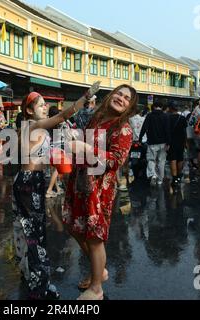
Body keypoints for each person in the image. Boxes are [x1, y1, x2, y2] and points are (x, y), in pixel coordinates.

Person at [12, 85, 96, 300]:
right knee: (35, 236)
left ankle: (34, 277)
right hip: (29, 182)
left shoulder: (32, 127)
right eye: (40, 104)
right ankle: (38, 290)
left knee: (32, 232)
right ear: (29, 110)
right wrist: (84, 97)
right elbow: (62, 116)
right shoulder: (34, 124)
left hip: (31, 180)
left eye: (44, 103)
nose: (44, 106)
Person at [63, 84, 138, 300]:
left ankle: (96, 288)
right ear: (111, 95)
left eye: (126, 98)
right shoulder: (98, 116)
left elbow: (115, 161)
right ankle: (100, 271)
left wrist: (86, 149)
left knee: (95, 238)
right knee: (75, 228)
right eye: (119, 94)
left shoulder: (123, 128)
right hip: (80, 182)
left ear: (129, 107)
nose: (121, 99)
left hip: (99, 189)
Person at [139, 101, 171, 186]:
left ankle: (152, 175)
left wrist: (140, 138)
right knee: (161, 161)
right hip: (163, 143)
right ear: (161, 106)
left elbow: (144, 128)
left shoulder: (149, 116)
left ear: (154, 107)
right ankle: (160, 180)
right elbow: (167, 130)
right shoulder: (165, 116)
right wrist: (168, 142)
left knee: (151, 159)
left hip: (152, 142)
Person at [167, 102, 187, 189]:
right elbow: (184, 130)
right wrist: (186, 142)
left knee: (173, 158)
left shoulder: (167, 118)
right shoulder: (182, 118)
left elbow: (166, 131)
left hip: (171, 141)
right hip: (181, 140)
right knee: (180, 157)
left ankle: (174, 178)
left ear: (171, 108)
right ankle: (179, 175)